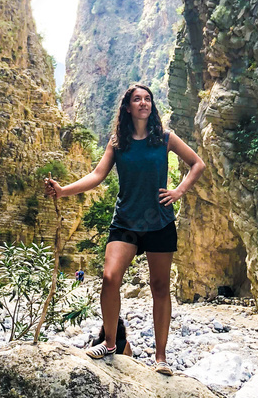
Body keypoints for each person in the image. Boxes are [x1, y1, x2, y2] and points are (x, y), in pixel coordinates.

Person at [44, 82, 205, 375]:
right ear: (128, 107)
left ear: (151, 106)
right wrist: (63, 190)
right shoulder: (118, 143)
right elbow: (97, 175)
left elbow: (197, 164)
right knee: (109, 278)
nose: (143, 103)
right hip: (126, 221)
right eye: (137, 99)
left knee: (159, 288)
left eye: (147, 99)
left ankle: (160, 357)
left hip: (160, 222)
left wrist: (178, 191)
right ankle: (109, 343)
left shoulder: (165, 138)